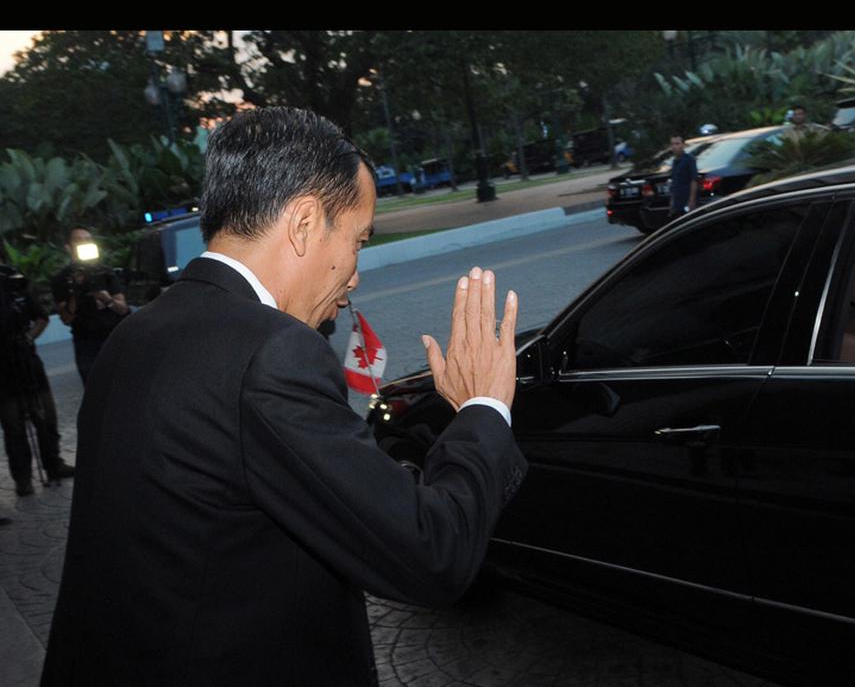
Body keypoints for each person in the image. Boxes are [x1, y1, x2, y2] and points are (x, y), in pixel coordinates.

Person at [42, 107, 527, 687]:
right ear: (303, 222)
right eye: (358, 240)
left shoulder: (137, 332)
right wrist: (484, 408)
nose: (354, 276)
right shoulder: (271, 354)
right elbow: (431, 554)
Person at [0, 265, 74, 497]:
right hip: (2, 370)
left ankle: (53, 464)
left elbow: (41, 317)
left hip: (27, 361)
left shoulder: (12, 279)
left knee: (45, 416)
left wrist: (28, 338)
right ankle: (22, 478)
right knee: (13, 426)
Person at [50, 227, 130, 383]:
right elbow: (66, 318)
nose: (84, 244)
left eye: (87, 240)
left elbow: (123, 308)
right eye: (78, 241)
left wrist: (106, 299)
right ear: (68, 247)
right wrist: (75, 290)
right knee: (95, 389)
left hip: (114, 335)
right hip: (86, 342)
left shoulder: (105, 272)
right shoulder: (61, 279)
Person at [667, 133, 699, 218]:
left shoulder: (689, 160)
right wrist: (672, 202)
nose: (674, 147)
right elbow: (674, 183)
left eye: (677, 144)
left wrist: (691, 200)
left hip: (686, 198)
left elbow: (693, 180)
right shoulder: (674, 162)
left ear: (683, 145)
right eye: (672, 144)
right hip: (677, 201)